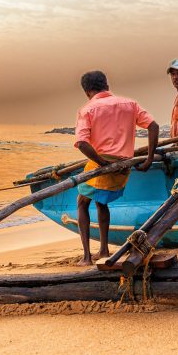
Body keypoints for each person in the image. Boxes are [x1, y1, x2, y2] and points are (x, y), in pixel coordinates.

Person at [74, 70, 159, 266]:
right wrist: (149, 158)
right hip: (124, 165)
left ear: (87, 91)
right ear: (107, 85)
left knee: (82, 201)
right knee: (100, 201)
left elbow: (81, 143)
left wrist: (102, 163)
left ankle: (86, 257)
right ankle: (103, 249)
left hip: (103, 163)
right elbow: (153, 126)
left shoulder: (87, 109)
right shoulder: (129, 104)